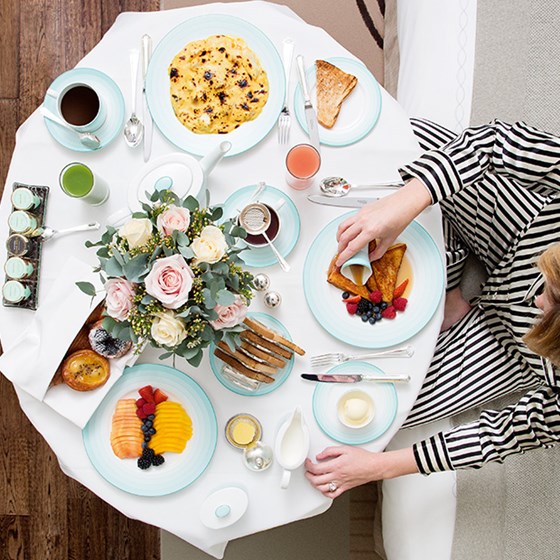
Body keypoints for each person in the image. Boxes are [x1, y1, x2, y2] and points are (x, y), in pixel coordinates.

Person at [305, 118, 560, 497]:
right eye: (551, 286)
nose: (536, 297)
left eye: (550, 303)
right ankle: (453, 277)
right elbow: (494, 141)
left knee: (372, 406)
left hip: (509, 348)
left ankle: (454, 278)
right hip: (518, 232)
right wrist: (406, 202)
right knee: (413, 142)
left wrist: (378, 468)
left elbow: (506, 434)